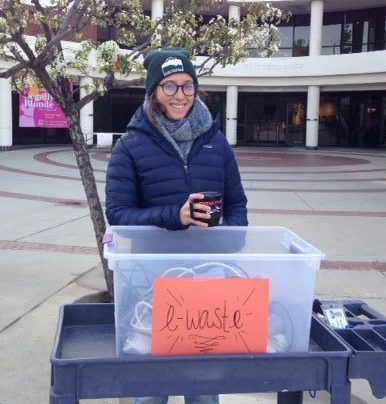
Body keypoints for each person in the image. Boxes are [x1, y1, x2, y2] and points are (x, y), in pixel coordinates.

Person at [105, 48, 248, 404]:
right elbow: (119, 214)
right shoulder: (130, 147)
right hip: (153, 285)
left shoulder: (217, 143)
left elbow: (238, 206)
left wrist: (227, 235)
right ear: (153, 91)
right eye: (169, 86)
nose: (180, 96)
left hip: (209, 282)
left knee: (203, 389)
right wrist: (175, 216)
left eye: (187, 86)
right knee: (152, 389)